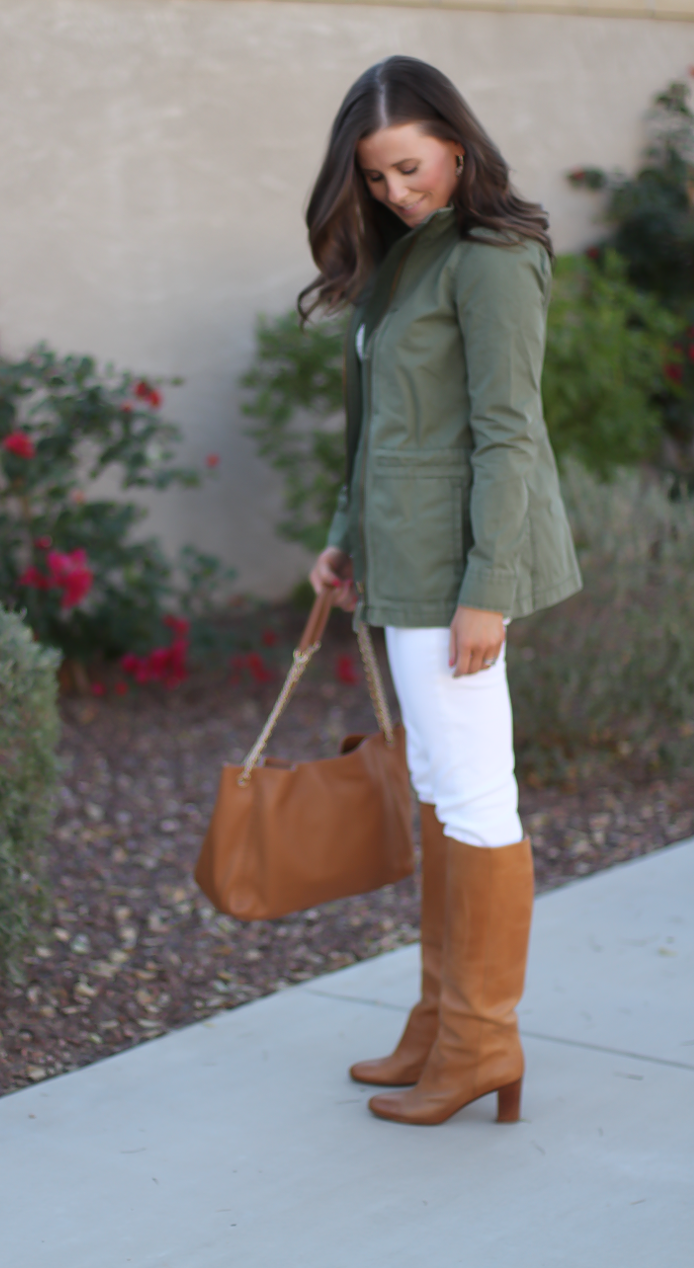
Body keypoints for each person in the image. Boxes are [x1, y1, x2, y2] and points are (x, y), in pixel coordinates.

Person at [304, 57, 582, 1126]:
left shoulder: (491, 257)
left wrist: (488, 592)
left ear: (457, 147)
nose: (393, 192)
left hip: (456, 573)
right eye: (374, 178)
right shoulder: (401, 260)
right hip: (400, 562)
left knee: (471, 796)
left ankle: (479, 1040)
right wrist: (341, 539)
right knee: (438, 790)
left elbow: (509, 433)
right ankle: (438, 1020)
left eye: (407, 169)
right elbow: (376, 431)